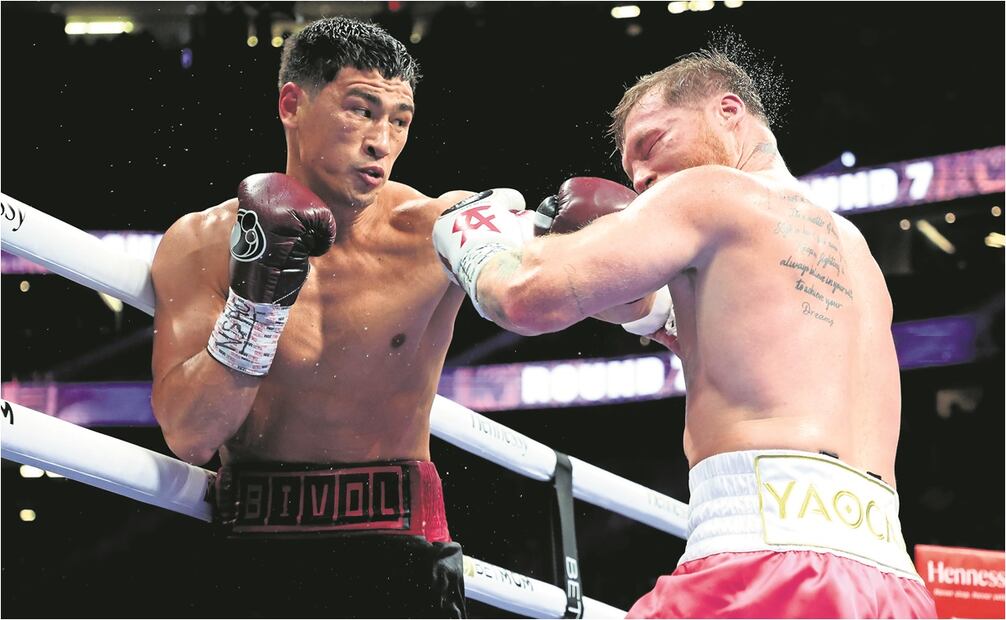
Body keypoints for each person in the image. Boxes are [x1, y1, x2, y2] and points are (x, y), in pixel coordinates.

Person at [149, 16, 665, 618]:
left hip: (398, 547)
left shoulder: (439, 229)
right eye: (361, 110)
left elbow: (626, 301)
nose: (381, 141)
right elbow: (190, 437)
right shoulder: (200, 243)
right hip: (252, 548)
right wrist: (257, 306)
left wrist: (594, 243)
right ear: (292, 104)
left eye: (399, 120)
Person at [432, 50, 938, 618]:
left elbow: (523, 297)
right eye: (631, 172)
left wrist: (479, 240)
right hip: (893, 585)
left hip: (765, 570)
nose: (643, 178)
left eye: (652, 143)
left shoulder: (710, 191)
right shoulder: (854, 250)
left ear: (728, 111)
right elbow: (702, 328)